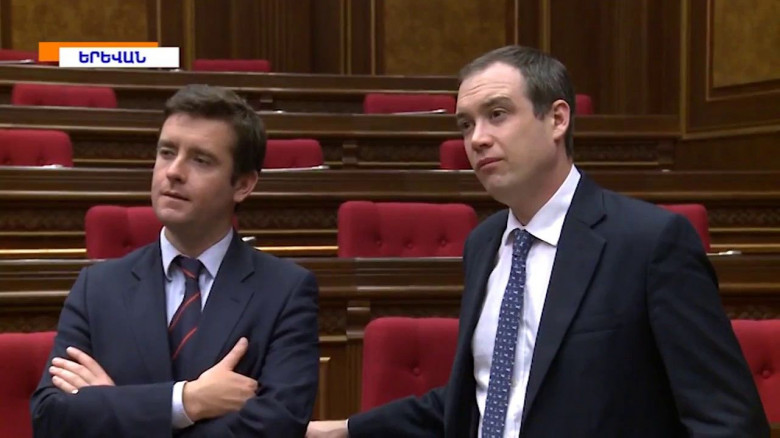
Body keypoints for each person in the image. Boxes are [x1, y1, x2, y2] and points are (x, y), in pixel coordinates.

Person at [307, 45, 768, 437]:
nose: (477, 139)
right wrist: (342, 430)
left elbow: (726, 420)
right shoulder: (484, 244)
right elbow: (491, 394)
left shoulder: (650, 243)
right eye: (466, 124)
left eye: (497, 115)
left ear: (557, 119)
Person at [31, 84, 320, 437]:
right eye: (167, 152)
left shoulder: (285, 291)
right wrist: (187, 401)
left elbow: (277, 426)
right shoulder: (98, 288)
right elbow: (51, 418)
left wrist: (116, 408)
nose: (174, 171)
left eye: (201, 160)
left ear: (243, 185)